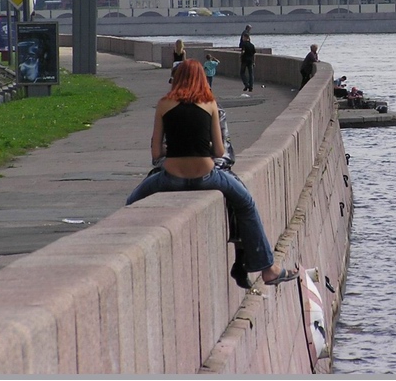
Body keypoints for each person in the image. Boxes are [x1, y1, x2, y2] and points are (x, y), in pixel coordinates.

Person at [126, 60, 296, 289]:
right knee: (245, 203)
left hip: (171, 179)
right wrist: (199, 144)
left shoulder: (164, 104)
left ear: (175, 79)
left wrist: (175, 146)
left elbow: (156, 154)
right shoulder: (210, 103)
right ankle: (268, 269)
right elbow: (218, 150)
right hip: (207, 177)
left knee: (131, 202)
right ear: (202, 78)